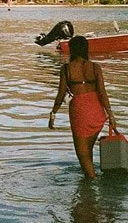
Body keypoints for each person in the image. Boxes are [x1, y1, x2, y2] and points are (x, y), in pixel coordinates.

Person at [48, 35, 117, 178]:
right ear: (85, 49)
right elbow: (102, 92)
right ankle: (89, 182)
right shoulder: (95, 67)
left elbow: (61, 94)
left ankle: (93, 183)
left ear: (72, 50)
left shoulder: (66, 69)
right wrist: (110, 114)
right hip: (97, 110)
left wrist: (53, 113)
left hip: (80, 111)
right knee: (87, 151)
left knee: (82, 154)